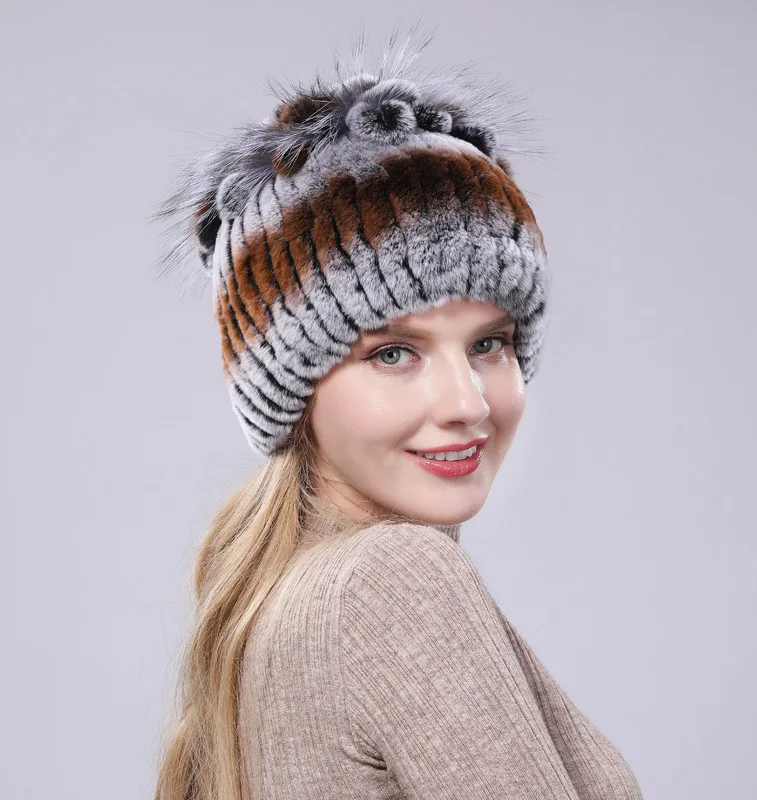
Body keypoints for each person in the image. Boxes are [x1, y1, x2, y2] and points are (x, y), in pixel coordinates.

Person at [150, 23, 644, 800]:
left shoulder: (286, 600)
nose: (467, 402)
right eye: (392, 354)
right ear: (292, 389)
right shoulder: (390, 581)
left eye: (490, 343)